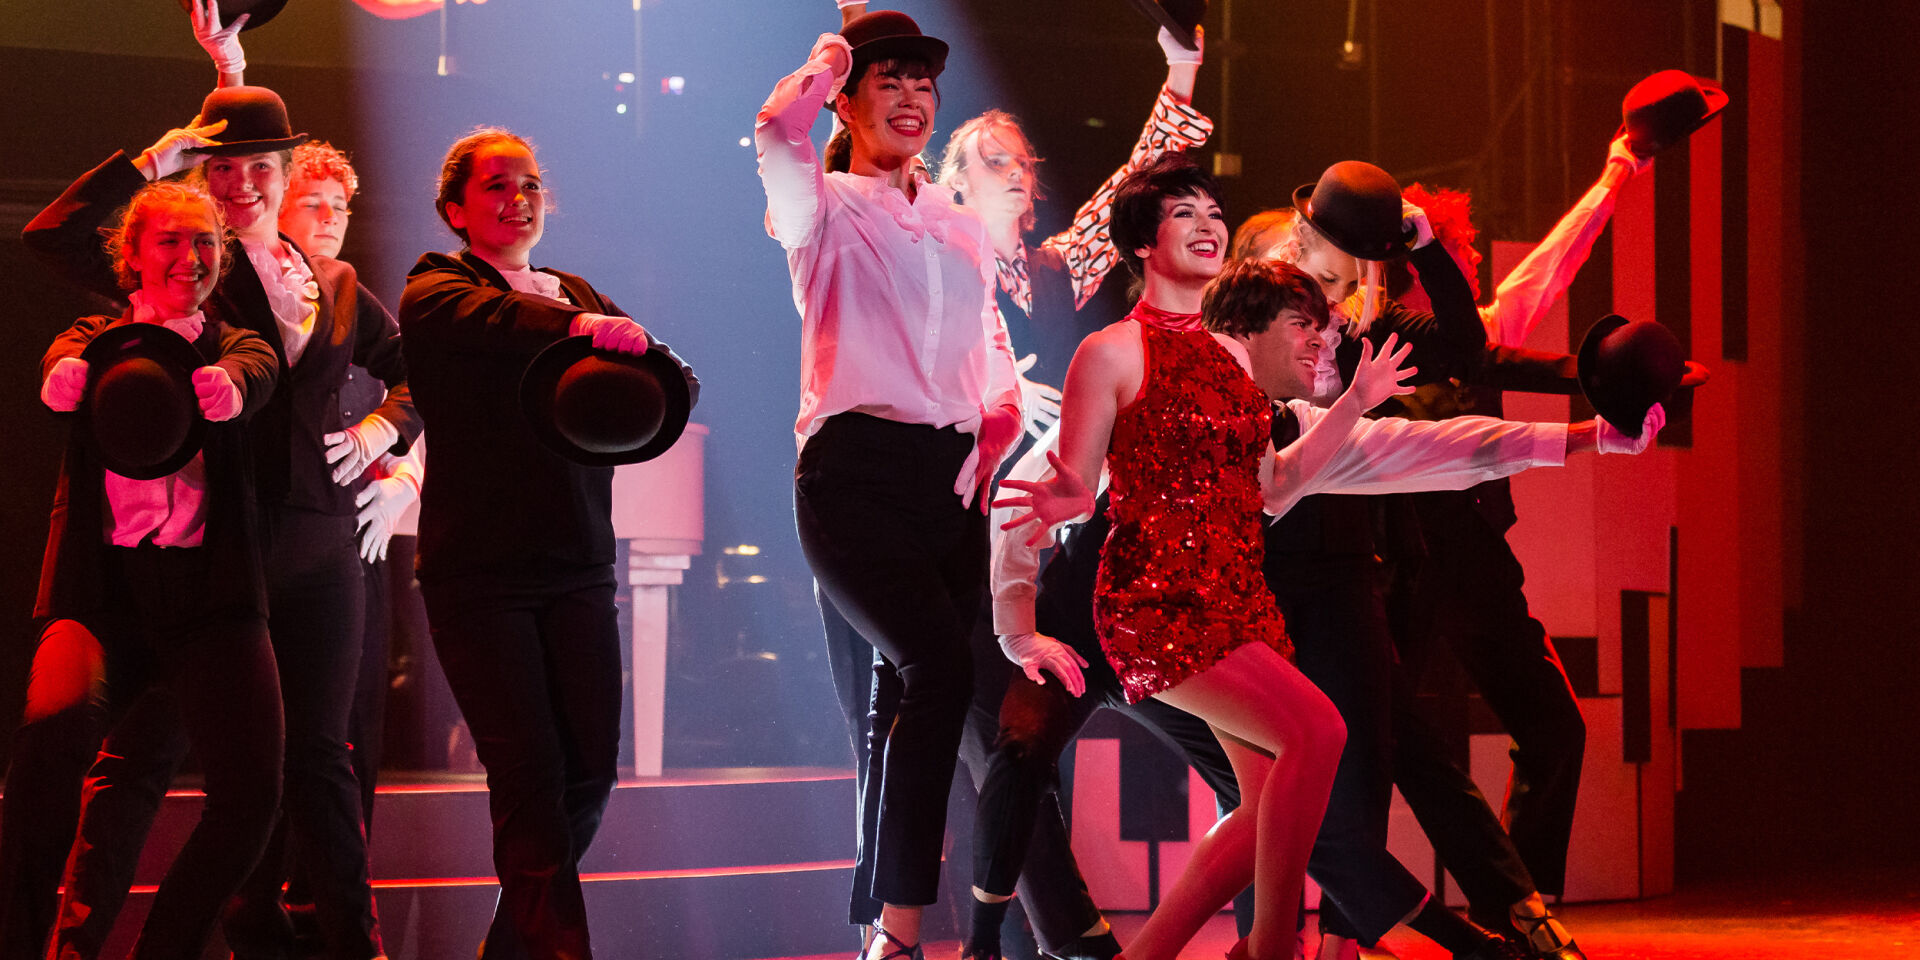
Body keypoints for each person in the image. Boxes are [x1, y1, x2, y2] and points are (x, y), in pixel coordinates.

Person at [20, 73, 418, 958]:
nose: (241, 185)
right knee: (138, 759)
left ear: (285, 171)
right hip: (219, 549)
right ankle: (73, 944)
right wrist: (165, 154)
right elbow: (56, 237)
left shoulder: (336, 280)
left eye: (258, 168)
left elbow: (409, 370)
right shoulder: (199, 266)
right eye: (222, 170)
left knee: (317, 762)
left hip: (318, 545)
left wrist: (386, 429)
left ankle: (347, 943)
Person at [756, 11, 1024, 959]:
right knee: (935, 670)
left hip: (951, 481)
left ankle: (884, 920)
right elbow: (774, 129)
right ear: (850, 100)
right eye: (889, 82)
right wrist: (835, 53)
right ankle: (905, 933)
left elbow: (987, 352)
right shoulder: (819, 204)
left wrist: (996, 429)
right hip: (852, 473)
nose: (911, 99)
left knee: (923, 700)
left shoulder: (958, 223)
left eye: (922, 83)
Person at [398, 126, 698, 960]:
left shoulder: (575, 290)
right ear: (457, 208)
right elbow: (494, 318)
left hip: (577, 568)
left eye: (529, 183)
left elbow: (666, 374)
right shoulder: (437, 284)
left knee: (588, 775)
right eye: (496, 186)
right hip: (479, 577)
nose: (517, 197)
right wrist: (586, 329)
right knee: (529, 779)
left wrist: (651, 358)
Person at [14, 180, 284, 960]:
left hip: (211, 606)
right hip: (106, 600)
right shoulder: (93, 337)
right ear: (131, 255)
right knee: (44, 761)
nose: (191, 257)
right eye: (170, 240)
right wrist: (61, 372)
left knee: (253, 797)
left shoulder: (235, 344)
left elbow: (257, 368)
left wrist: (233, 387)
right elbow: (65, 357)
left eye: (204, 242)